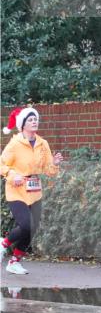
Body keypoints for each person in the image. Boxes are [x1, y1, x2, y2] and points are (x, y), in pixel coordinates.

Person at [0, 107, 62, 275]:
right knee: (26, 225)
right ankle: (4, 244)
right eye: (30, 120)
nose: (34, 122)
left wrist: (55, 164)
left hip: (35, 190)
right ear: (22, 125)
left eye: (36, 119)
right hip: (16, 190)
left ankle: (14, 262)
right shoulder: (14, 144)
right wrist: (13, 176)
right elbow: (2, 165)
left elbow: (48, 171)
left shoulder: (43, 144)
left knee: (33, 228)